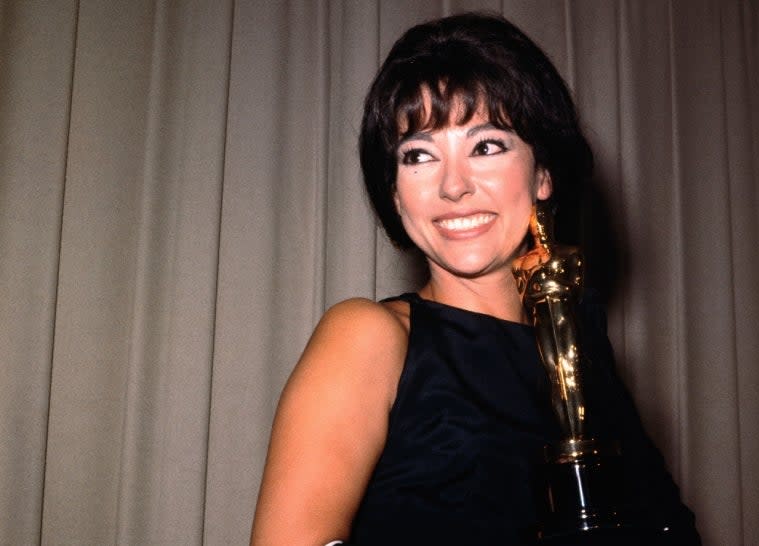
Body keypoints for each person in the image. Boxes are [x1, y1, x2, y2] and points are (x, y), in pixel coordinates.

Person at [251, 12, 699, 546]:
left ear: (544, 174)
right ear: (395, 193)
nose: (453, 186)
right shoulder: (369, 337)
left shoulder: (579, 350)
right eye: (418, 155)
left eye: (485, 146)